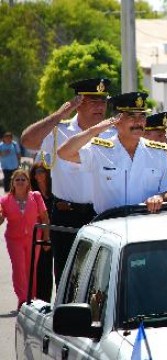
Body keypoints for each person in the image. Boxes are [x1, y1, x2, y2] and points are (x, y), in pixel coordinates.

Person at [20, 77, 113, 285]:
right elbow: (27, 140)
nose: (100, 107)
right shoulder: (59, 130)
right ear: (78, 104)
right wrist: (59, 115)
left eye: (103, 101)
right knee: (67, 278)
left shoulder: (113, 134)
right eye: (93, 101)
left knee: (103, 280)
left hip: (103, 215)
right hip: (67, 215)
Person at [57, 91, 167, 214]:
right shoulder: (99, 149)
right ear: (117, 121)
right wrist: (95, 129)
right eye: (131, 116)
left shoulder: (157, 152)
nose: (138, 122)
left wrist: (160, 198)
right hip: (109, 226)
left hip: (146, 225)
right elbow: (63, 153)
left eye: (142, 116)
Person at [0, 169, 50, 309]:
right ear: (13, 183)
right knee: (19, 268)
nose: (20, 182)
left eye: (23, 179)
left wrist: (46, 237)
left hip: (34, 238)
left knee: (31, 268)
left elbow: (45, 218)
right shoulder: (5, 200)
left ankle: (30, 298)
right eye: (18, 180)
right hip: (14, 239)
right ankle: (22, 298)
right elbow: (1, 219)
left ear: (28, 182)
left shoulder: (36, 196)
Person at [29, 162, 54, 302]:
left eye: (41, 171)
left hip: (56, 234)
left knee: (57, 270)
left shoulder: (55, 192)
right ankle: (42, 300)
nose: (38, 174)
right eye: (35, 172)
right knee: (43, 270)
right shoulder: (33, 194)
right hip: (41, 237)